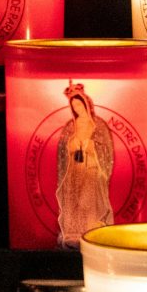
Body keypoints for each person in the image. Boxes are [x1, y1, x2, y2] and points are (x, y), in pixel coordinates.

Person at [53, 81, 116, 246]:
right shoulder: (70, 126)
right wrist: (72, 144)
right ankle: (75, 231)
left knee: (88, 200)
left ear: (86, 104)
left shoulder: (98, 125)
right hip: (75, 167)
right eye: (74, 106)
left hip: (91, 166)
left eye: (79, 105)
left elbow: (105, 148)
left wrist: (90, 145)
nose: (77, 108)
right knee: (76, 201)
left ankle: (91, 230)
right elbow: (63, 148)